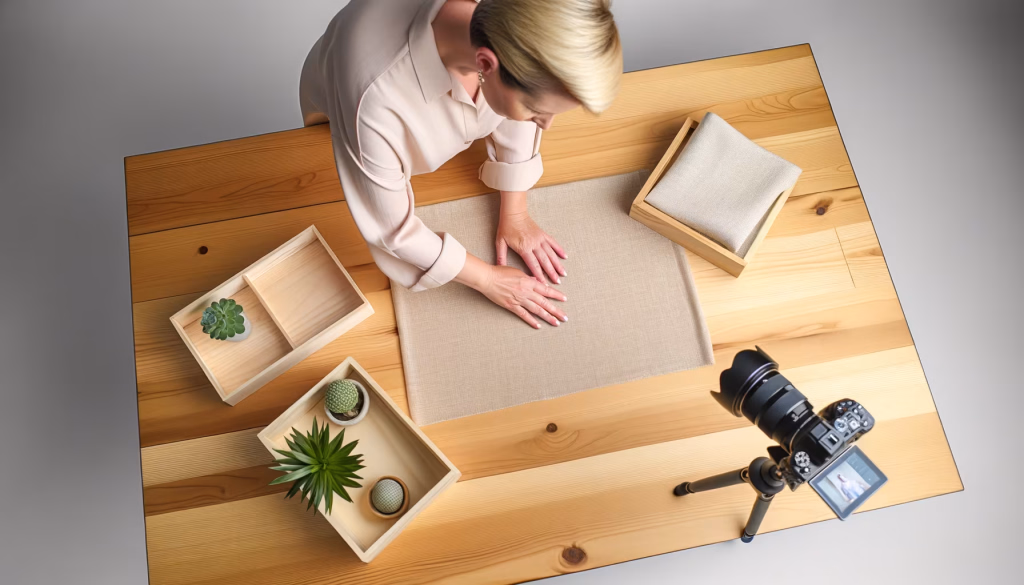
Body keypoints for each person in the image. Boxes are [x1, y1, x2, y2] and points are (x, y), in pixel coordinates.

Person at [299, 0, 622, 328]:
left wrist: (515, 212)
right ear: (485, 63)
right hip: (336, 135)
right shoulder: (373, 101)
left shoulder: (517, 30)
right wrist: (487, 279)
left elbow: (525, 88)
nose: (546, 125)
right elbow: (392, 230)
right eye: (537, 111)